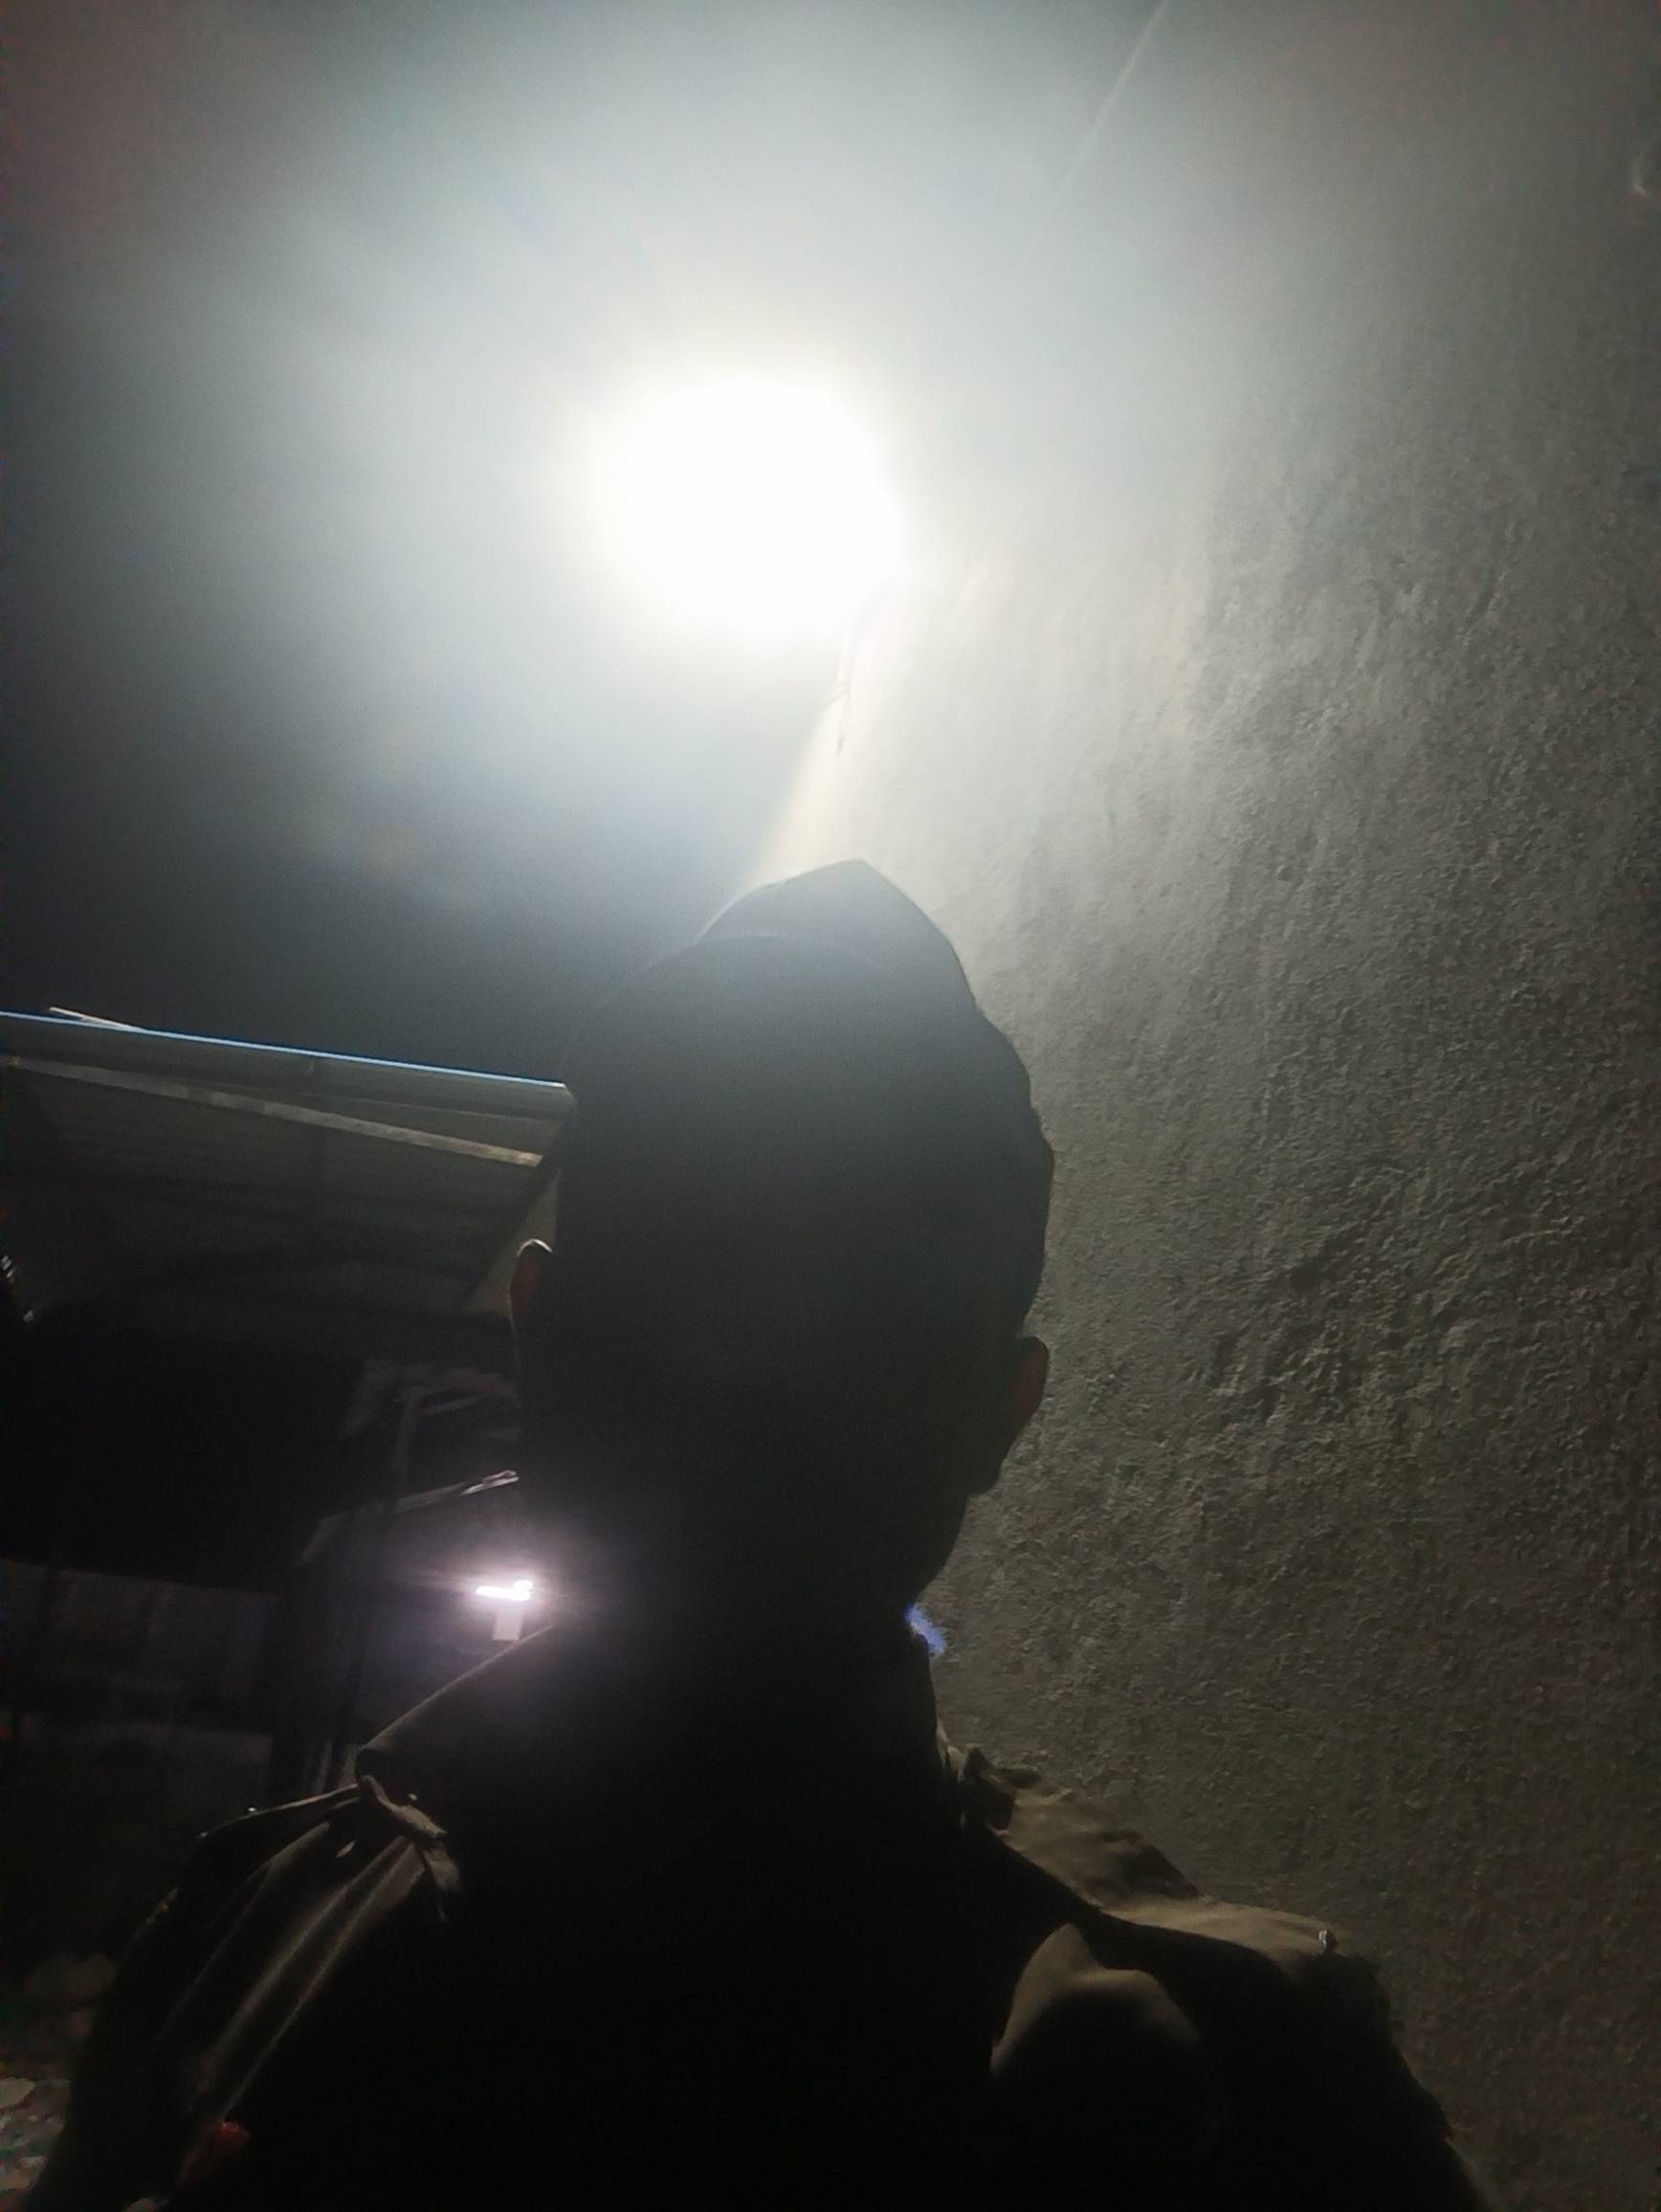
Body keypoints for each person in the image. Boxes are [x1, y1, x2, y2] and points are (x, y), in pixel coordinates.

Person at [30, 863, 1495, 2209]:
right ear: (536, 1330)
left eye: (867, 1318)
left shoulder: (1253, 2089)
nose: (745, 1369)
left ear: (1000, 1414)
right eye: (684, 1267)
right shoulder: (246, 1917)